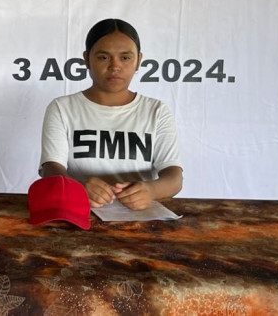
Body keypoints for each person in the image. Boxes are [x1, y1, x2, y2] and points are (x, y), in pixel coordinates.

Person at [39, 18, 183, 210]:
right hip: (79, 213)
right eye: (103, 57)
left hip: (140, 217)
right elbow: (51, 169)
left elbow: (174, 177)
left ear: (139, 60)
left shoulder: (156, 111)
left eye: (125, 57)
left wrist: (150, 190)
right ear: (86, 59)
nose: (115, 66)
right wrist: (78, 187)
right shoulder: (62, 108)